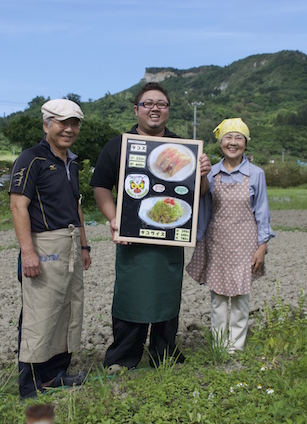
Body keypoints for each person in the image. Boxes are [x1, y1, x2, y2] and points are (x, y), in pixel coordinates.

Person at [90, 82, 211, 372]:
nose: (155, 108)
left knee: (165, 297)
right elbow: (100, 186)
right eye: (148, 103)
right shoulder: (119, 145)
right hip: (132, 236)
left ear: (168, 111)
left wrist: (203, 173)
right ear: (137, 109)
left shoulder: (183, 148)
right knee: (130, 296)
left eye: (162, 104)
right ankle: (122, 357)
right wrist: (114, 217)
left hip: (168, 236)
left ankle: (164, 354)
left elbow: (200, 192)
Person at [9, 99, 92, 398]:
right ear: (47, 124)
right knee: (40, 313)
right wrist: (27, 251)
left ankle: (56, 374)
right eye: (62, 122)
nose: (69, 129)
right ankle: (30, 384)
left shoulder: (71, 160)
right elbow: (18, 206)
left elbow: (77, 205)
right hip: (44, 244)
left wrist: (84, 244)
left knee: (67, 309)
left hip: (70, 242)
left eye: (74, 123)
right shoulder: (31, 159)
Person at [186, 118, 274, 353]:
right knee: (218, 300)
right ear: (220, 142)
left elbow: (262, 212)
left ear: (245, 143)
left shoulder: (256, 174)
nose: (233, 142)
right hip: (217, 243)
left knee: (240, 299)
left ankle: (235, 347)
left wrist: (262, 246)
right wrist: (198, 239)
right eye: (228, 137)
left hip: (246, 245)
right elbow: (202, 206)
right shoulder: (211, 173)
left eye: (239, 138)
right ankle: (218, 346)